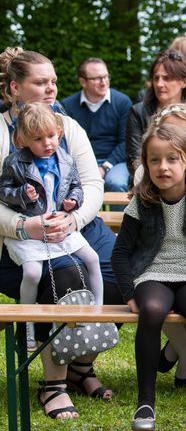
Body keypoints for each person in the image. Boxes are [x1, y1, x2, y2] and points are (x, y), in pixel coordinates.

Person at [0, 47, 119, 418]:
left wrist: (73, 219)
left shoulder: (68, 127)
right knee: (66, 275)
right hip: (17, 237)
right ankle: (53, 384)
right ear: (15, 88)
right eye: (40, 82)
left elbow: (91, 185)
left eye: (53, 80)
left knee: (128, 272)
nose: (51, 88)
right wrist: (23, 226)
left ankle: (82, 365)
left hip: (75, 224)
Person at [112, 123, 186, 431]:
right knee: (151, 310)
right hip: (153, 273)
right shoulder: (142, 200)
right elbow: (120, 253)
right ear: (145, 164)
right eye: (154, 160)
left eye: (172, 159)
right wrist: (128, 294)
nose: (162, 167)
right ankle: (145, 403)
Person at [0, 103, 103, 306]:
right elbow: (3, 191)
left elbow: (76, 185)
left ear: (59, 133)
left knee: (93, 259)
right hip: (31, 228)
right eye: (38, 139)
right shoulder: (14, 162)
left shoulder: (66, 160)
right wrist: (22, 194)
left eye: (51, 136)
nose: (47, 143)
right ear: (24, 140)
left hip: (58, 224)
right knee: (32, 273)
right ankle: (28, 321)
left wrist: (73, 200)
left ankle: (98, 308)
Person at [126, 50, 186, 179]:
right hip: (153, 178)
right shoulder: (138, 111)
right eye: (156, 78)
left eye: (166, 78)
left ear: (184, 81)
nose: (159, 84)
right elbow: (134, 158)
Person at [61, 58, 132, 192]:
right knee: (67, 184)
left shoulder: (122, 102)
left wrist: (105, 167)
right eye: (97, 78)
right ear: (83, 82)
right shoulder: (68, 105)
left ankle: (122, 214)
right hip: (81, 161)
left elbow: (126, 142)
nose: (104, 82)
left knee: (116, 182)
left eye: (106, 76)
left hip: (115, 161)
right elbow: (66, 143)